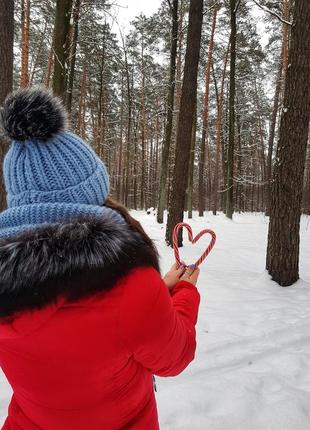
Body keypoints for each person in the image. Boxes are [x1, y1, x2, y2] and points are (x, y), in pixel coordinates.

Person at [0, 87, 200, 430]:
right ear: (88, 192)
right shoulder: (126, 280)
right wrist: (183, 295)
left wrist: (155, 290)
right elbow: (174, 355)